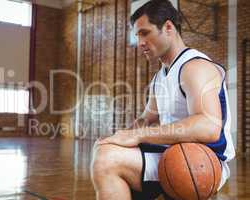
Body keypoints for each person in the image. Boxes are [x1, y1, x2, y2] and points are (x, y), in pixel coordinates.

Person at [90, 0, 235, 199]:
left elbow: (208, 126)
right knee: (106, 149)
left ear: (168, 27)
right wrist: (119, 137)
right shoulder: (160, 77)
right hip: (173, 151)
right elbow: (146, 119)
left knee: (107, 160)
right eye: (137, 36)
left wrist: (140, 135)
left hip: (203, 159)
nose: (140, 43)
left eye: (145, 33)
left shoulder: (195, 67)